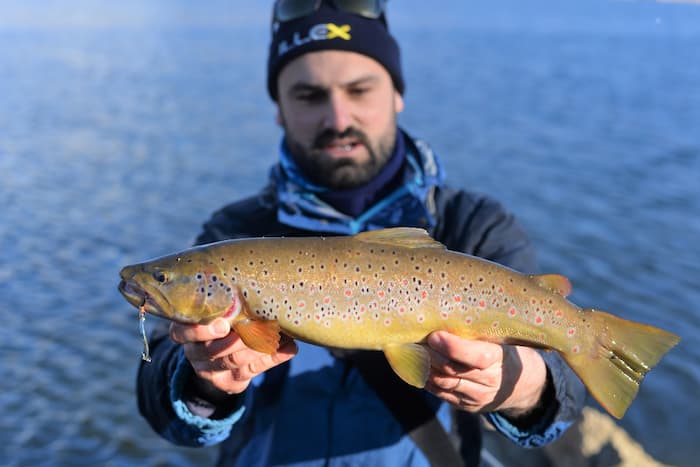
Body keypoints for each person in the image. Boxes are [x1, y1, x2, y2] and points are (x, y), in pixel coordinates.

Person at [137, 2, 585, 465]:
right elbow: (159, 405)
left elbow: (563, 405)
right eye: (309, 95)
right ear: (279, 110)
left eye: (359, 90)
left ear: (396, 93)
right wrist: (203, 383)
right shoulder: (234, 232)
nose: (338, 119)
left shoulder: (473, 226)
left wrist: (524, 384)